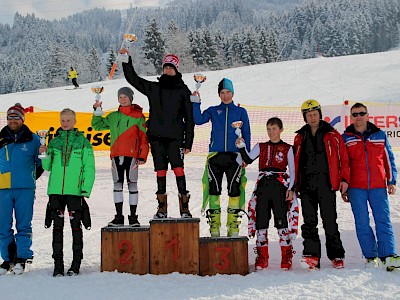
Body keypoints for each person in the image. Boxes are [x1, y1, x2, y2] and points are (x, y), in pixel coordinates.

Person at [121, 50, 195, 219]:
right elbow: (134, 80)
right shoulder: (155, 88)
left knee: (178, 170)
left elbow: (190, 118)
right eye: (166, 67)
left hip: (176, 139)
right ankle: (162, 208)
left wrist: (188, 142)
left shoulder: (184, 90)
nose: (168, 70)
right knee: (160, 172)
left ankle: (184, 207)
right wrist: (127, 61)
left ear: (176, 69)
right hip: (156, 138)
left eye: (171, 67)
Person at [342, 102, 399, 270]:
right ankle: (371, 256)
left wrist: (391, 180)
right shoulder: (346, 137)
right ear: (351, 118)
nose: (358, 117)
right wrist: (344, 185)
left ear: (368, 115)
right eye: (355, 114)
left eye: (361, 113)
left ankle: (388, 255)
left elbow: (388, 159)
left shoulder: (379, 134)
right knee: (362, 222)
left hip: (378, 186)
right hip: (356, 187)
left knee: (383, 220)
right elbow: (343, 164)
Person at [293, 99, 349, 270]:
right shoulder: (299, 136)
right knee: (309, 222)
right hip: (307, 186)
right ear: (305, 117)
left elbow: (344, 158)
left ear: (320, 115)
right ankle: (311, 255)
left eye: (315, 114)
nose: (312, 117)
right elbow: (294, 161)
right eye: (309, 115)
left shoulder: (332, 134)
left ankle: (336, 255)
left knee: (330, 221)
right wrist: (295, 184)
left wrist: (344, 179)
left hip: (326, 184)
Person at [191, 78, 251, 237]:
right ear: (219, 94)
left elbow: (247, 134)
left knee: (234, 190)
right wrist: (196, 103)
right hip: (215, 156)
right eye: (222, 93)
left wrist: (246, 156)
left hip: (235, 157)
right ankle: (214, 226)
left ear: (233, 93)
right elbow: (198, 120)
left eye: (228, 92)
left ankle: (233, 226)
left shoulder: (240, 112)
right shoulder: (212, 110)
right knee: (214, 190)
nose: (225, 96)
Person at [237, 117, 298, 271]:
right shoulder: (261, 146)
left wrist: (291, 189)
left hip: (280, 188)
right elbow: (248, 159)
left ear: (281, 130)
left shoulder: (288, 148)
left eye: (275, 129)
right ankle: (262, 257)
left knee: (281, 222)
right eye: (269, 129)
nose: (272, 132)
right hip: (263, 187)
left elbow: (293, 171)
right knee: (261, 222)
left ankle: (287, 256)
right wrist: (241, 147)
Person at [41, 108, 95, 276]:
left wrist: (85, 188)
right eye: (63, 120)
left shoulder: (84, 142)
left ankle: (76, 265)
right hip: (56, 191)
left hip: (75, 192)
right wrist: (44, 154)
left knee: (75, 228)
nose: (65, 123)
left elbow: (89, 167)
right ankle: (58, 266)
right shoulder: (54, 142)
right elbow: (47, 167)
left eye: (68, 120)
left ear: (75, 121)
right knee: (57, 228)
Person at [92, 87, 149, 226]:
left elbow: (143, 137)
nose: (123, 99)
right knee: (117, 185)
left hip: (132, 156)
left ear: (131, 98)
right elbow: (97, 126)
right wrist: (97, 111)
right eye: (120, 97)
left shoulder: (138, 117)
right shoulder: (112, 116)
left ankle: (133, 217)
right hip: (116, 155)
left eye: (125, 97)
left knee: (132, 185)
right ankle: (118, 217)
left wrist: (142, 155)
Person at [0, 103, 43, 275]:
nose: (12, 120)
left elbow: (40, 164)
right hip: (3, 188)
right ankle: (8, 259)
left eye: (16, 117)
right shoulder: (1, 138)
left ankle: (22, 257)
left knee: (24, 224)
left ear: (22, 119)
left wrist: (30, 178)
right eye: (10, 117)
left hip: (25, 188)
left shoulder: (33, 139)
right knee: (3, 225)